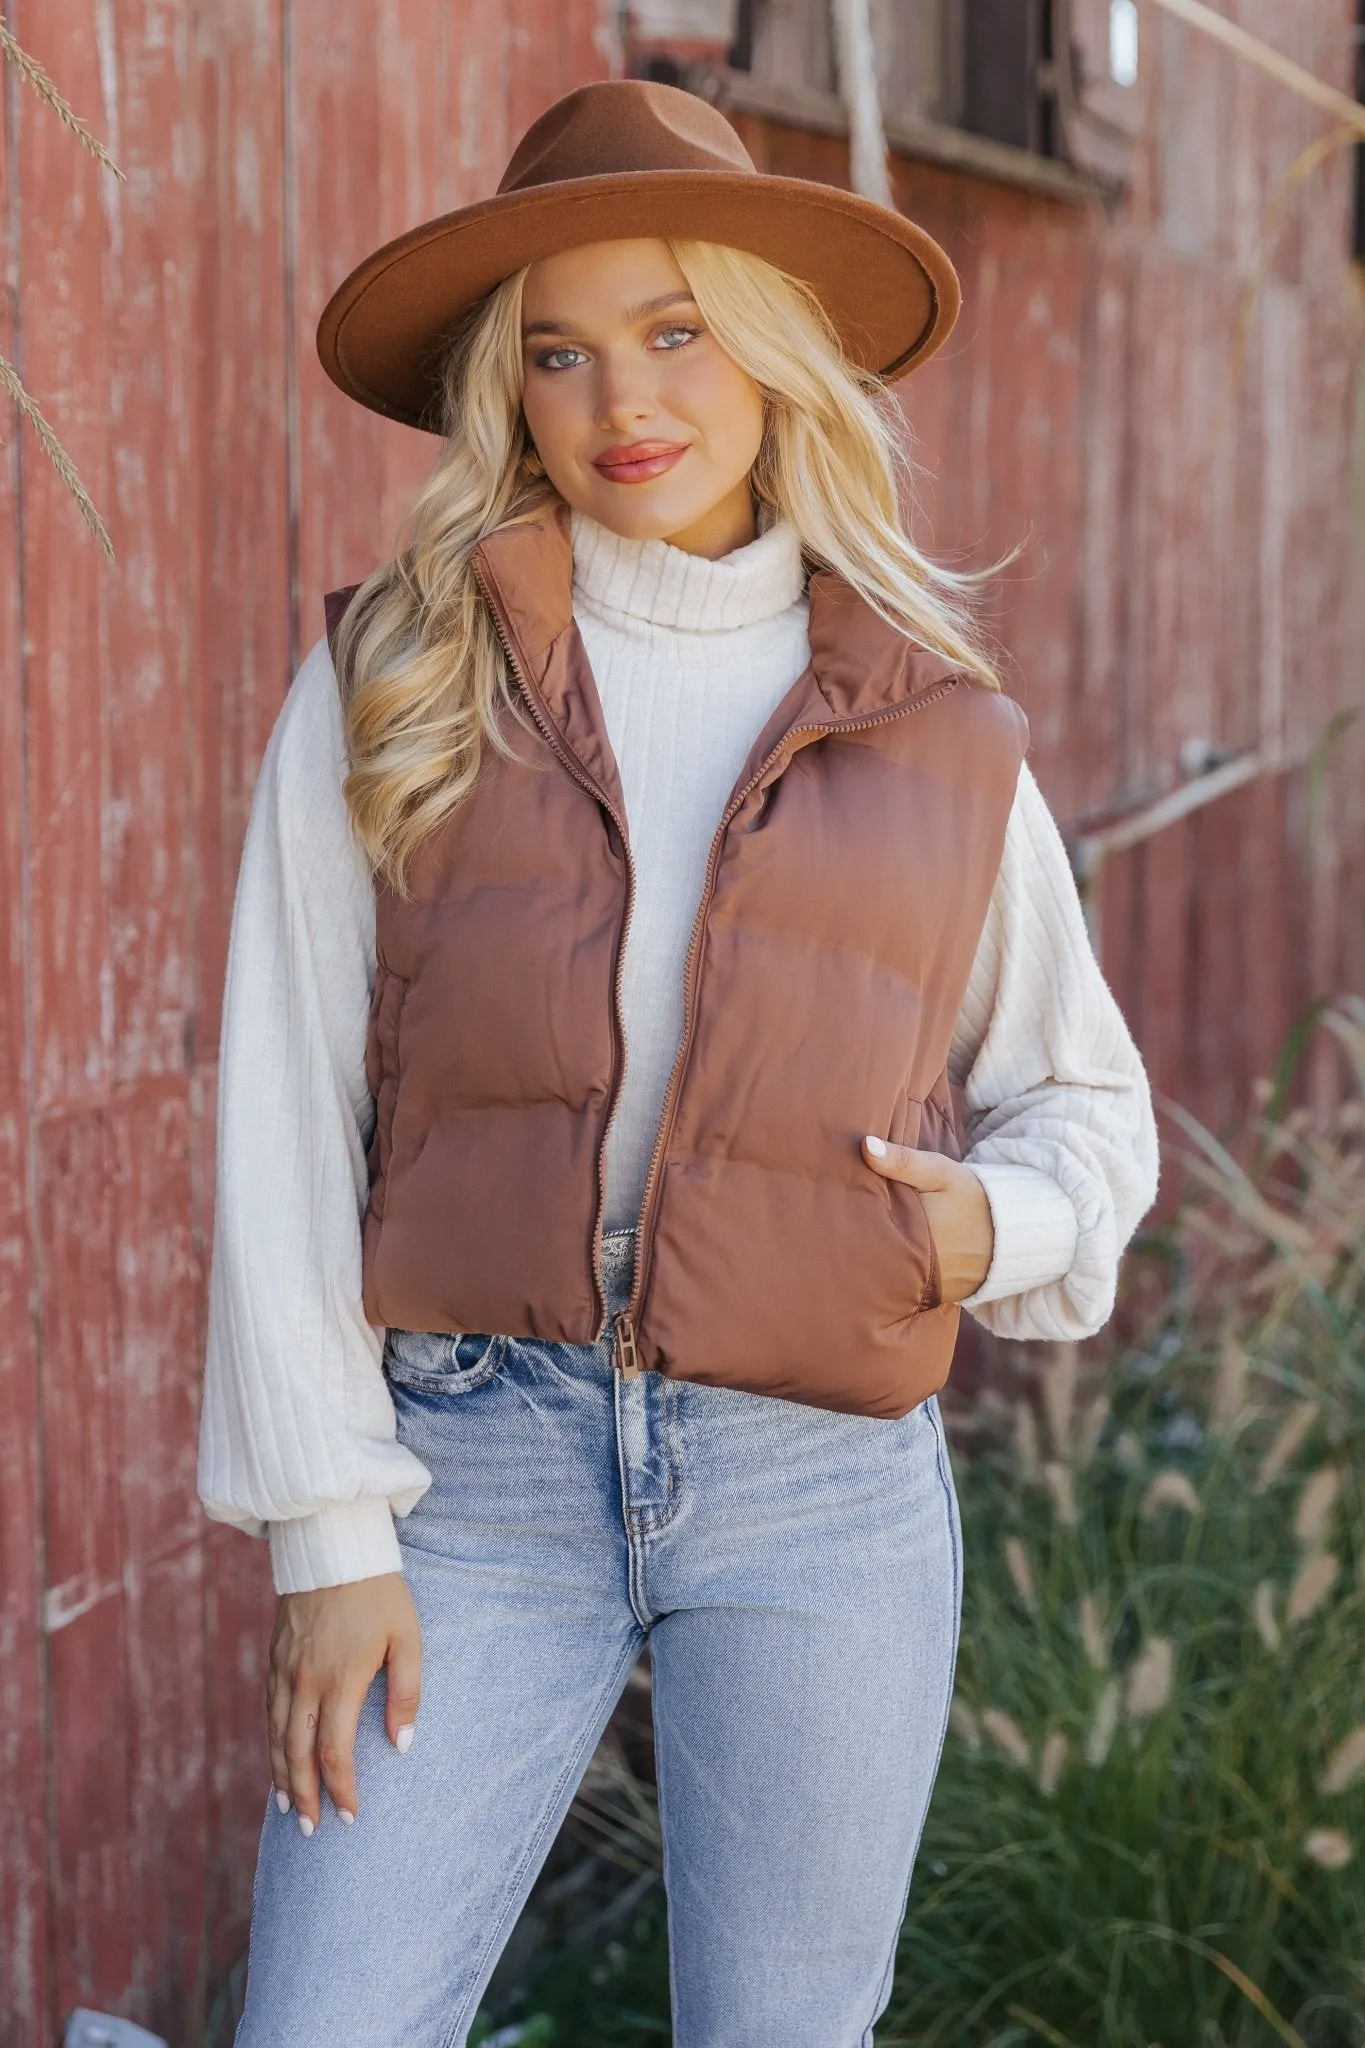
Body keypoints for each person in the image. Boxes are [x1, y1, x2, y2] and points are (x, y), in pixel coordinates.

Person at [200, 77, 1159, 2047]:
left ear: (772, 353)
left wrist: (1000, 1221)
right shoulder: (400, 668)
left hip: (819, 1481)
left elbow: (1090, 1099)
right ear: (509, 398)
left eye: (674, 328)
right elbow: (283, 1107)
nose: (622, 395)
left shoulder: (925, 716)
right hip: (468, 1466)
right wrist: (327, 1532)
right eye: (558, 351)